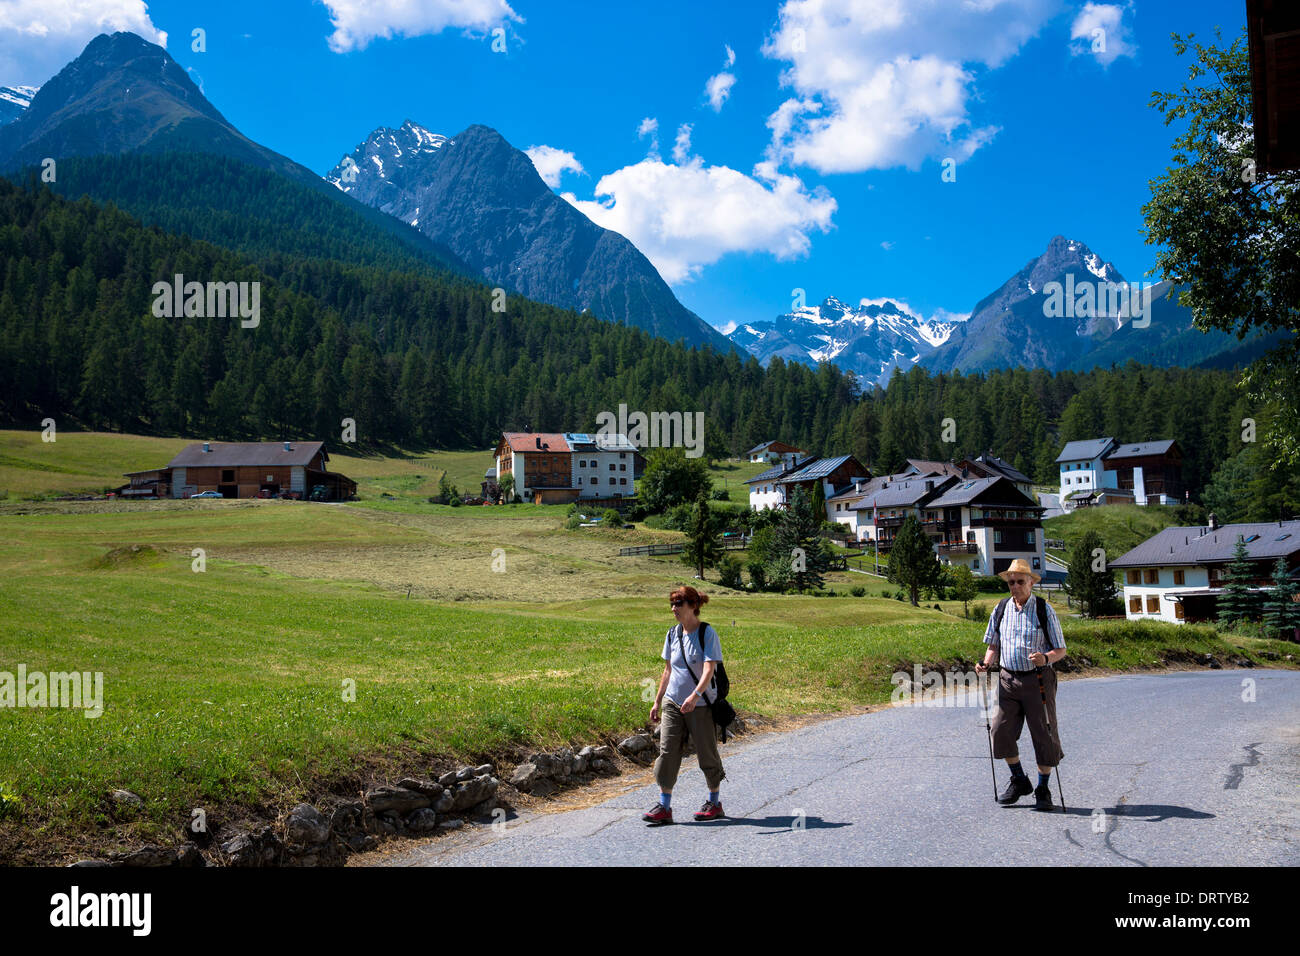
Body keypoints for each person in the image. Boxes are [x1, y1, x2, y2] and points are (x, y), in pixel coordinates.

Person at [975, 558, 1067, 811]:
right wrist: (985, 664)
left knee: (1044, 734)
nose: (1015, 586)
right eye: (1011, 582)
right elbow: (993, 643)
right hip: (1008, 679)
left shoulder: (1043, 609)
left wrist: (1045, 658)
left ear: (1031, 583)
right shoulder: (1002, 608)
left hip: (1038, 680)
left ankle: (1043, 788)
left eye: (1020, 582)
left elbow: (1061, 650)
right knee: (999, 731)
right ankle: (1018, 779)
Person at [642, 586, 726, 825]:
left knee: (705, 752)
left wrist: (695, 696)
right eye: (672, 604)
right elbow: (668, 670)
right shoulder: (672, 634)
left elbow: (709, 669)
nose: (673, 609)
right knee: (667, 753)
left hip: (699, 705)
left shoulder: (706, 633)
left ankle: (714, 802)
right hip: (673, 702)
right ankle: (664, 806)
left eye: (678, 604)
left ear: (692, 606)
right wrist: (657, 700)